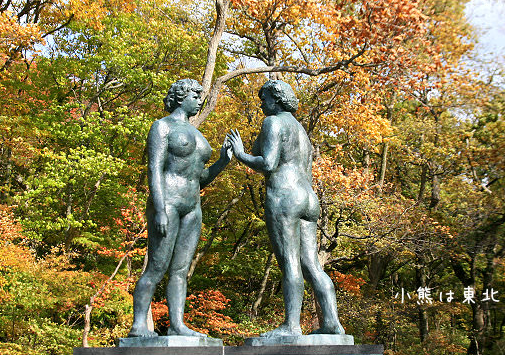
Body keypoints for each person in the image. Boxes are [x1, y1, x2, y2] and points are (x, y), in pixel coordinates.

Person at [225, 80, 345, 337]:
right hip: (308, 199)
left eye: (264, 99)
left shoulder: (273, 122)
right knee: (312, 265)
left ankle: (291, 326)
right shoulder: (301, 130)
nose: (261, 104)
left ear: (276, 100)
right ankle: (333, 323)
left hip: (285, 197)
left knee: (290, 264)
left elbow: (267, 163)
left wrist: (239, 154)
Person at [128, 78, 231, 337]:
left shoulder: (198, 134)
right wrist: (160, 209)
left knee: (180, 270)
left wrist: (222, 162)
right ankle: (139, 324)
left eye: (200, 96)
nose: (199, 100)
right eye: (195, 95)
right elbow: (155, 169)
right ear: (180, 96)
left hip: (192, 206)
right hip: (169, 202)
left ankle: (177, 325)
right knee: (157, 267)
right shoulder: (161, 127)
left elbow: (201, 178)